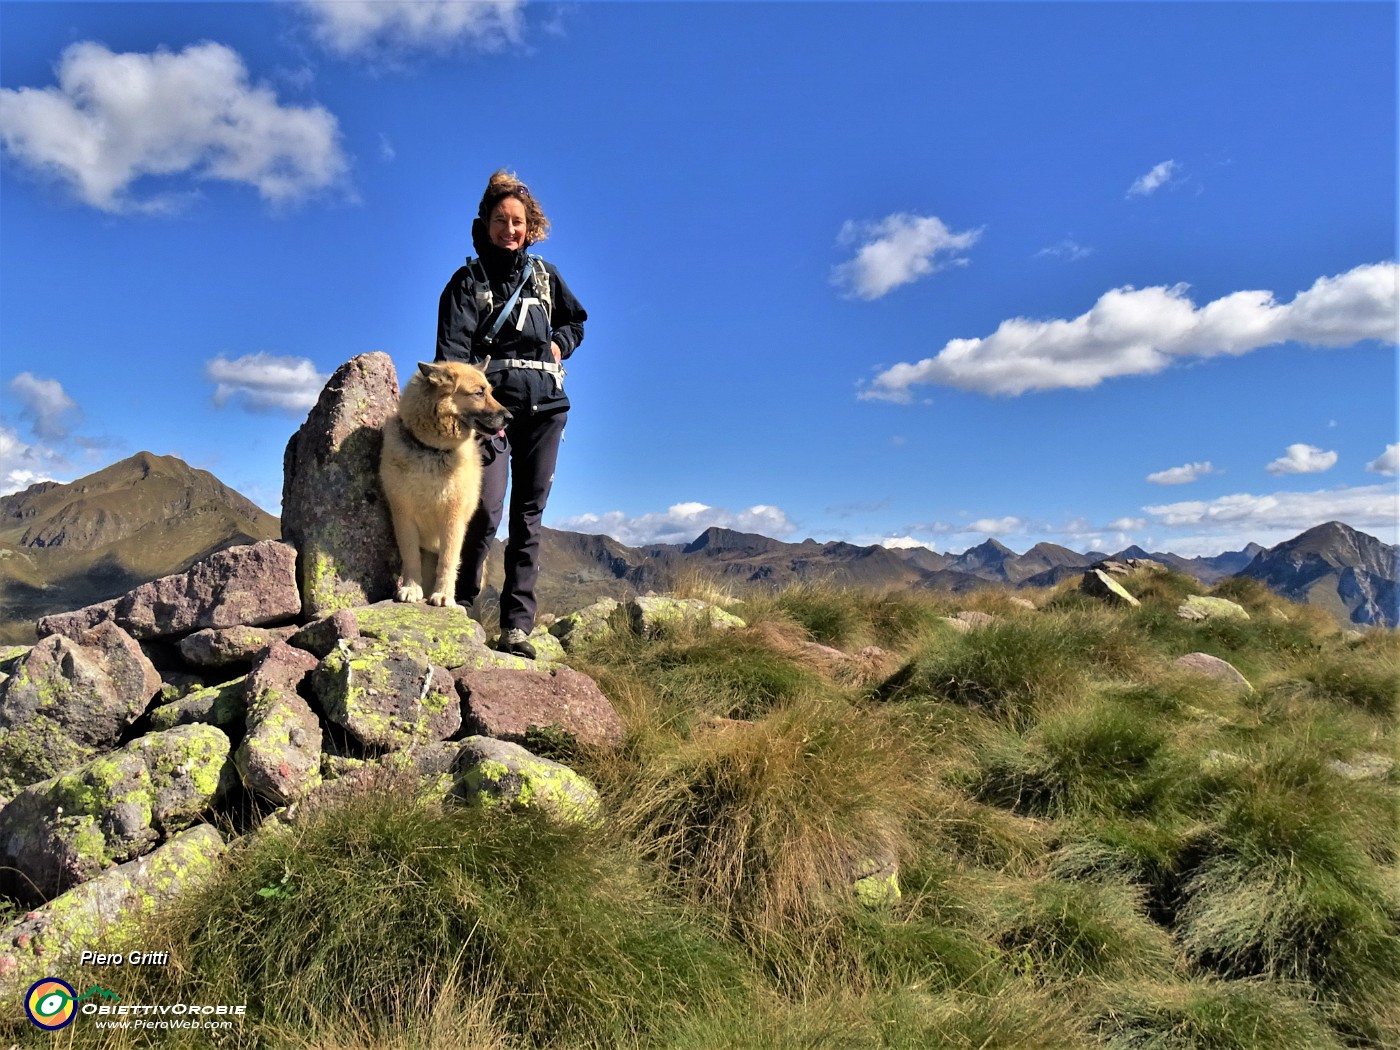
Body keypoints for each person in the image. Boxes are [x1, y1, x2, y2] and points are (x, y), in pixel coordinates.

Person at [435, 170, 587, 658]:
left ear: (530, 226)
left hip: (547, 408)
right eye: (500, 219)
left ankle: (516, 627)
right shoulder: (466, 284)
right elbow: (450, 359)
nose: (509, 229)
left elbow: (575, 319)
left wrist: (561, 342)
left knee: (528, 516)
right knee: (483, 509)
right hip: (489, 414)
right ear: (484, 223)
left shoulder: (546, 276)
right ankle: (458, 604)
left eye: (518, 221)